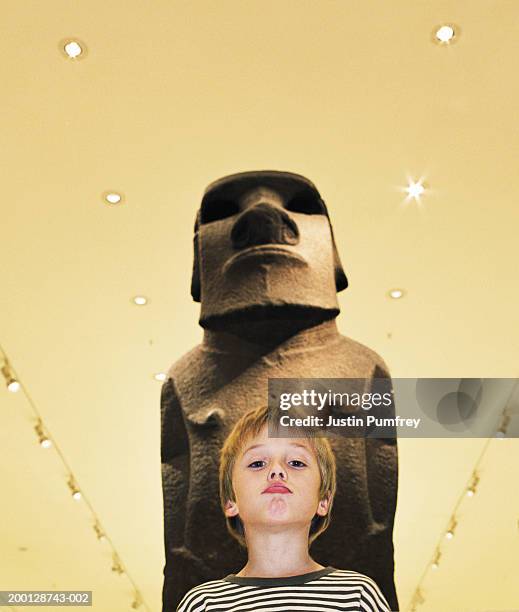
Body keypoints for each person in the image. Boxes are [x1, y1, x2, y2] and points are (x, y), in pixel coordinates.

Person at [176, 404, 392, 611]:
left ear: (323, 501)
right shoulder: (203, 604)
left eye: (296, 463)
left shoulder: (357, 596)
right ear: (230, 501)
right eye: (257, 463)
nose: (277, 471)